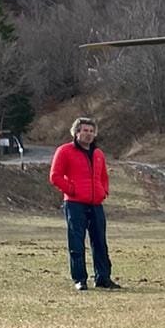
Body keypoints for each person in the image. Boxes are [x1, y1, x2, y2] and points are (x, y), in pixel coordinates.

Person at [49, 116, 119, 292]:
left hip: (96, 204)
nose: (88, 134)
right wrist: (71, 190)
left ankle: (103, 278)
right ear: (76, 132)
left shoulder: (98, 154)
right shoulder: (65, 151)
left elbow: (103, 176)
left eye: (91, 131)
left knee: (100, 242)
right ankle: (80, 279)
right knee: (76, 242)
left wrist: (104, 192)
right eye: (84, 131)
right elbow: (55, 176)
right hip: (74, 204)